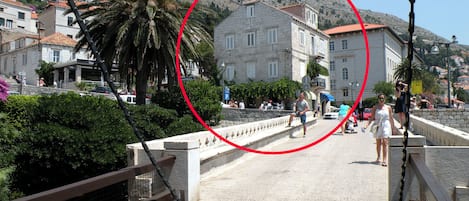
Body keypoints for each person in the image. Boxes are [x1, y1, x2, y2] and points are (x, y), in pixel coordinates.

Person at [365, 94, 396, 167]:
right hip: (378, 125)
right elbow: (372, 117)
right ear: (378, 99)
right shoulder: (375, 107)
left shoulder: (388, 107)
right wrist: (366, 125)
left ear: (385, 99)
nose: (381, 100)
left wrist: (393, 128)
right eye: (380, 98)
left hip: (386, 124)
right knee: (378, 142)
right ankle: (378, 157)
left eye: (383, 98)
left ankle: (384, 160)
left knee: (385, 142)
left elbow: (391, 118)